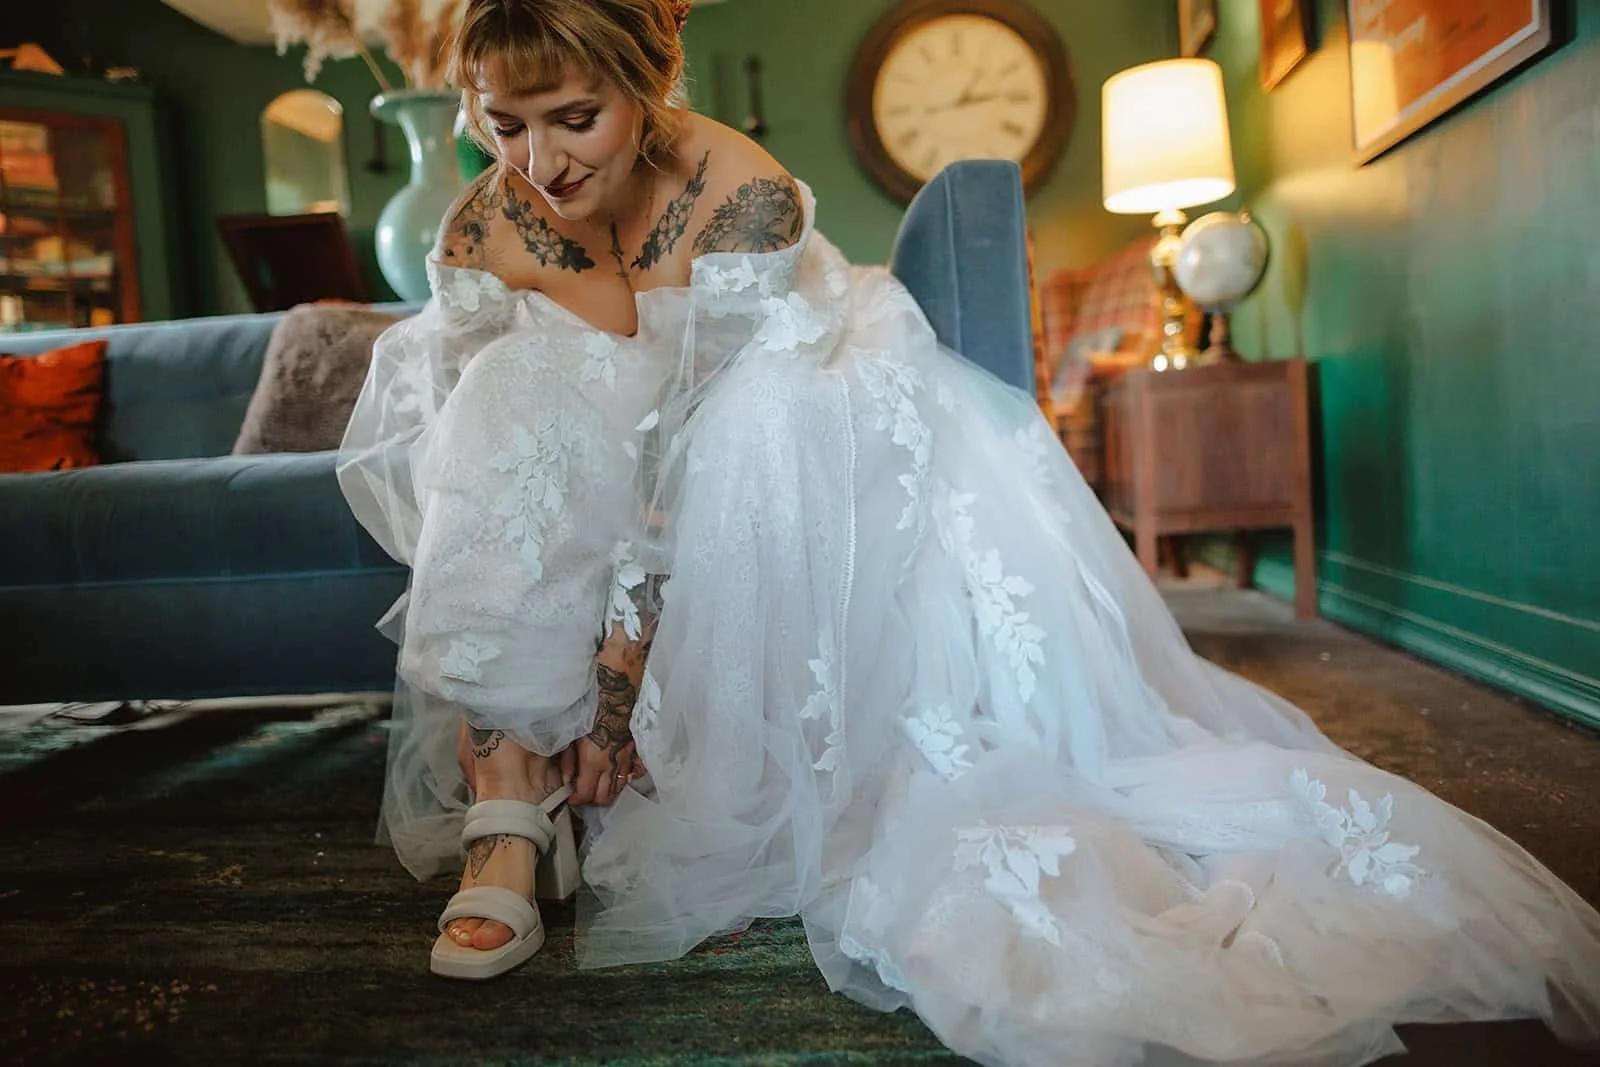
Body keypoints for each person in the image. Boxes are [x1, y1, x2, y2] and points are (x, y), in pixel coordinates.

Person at [337, 0, 1600, 1062]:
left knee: (755, 436)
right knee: (503, 396)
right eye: (504, 125)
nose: (541, 164)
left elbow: (677, 465)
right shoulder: (484, 225)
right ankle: (509, 798)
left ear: (647, 86)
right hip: (612, 408)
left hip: (772, 393)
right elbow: (469, 449)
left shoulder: (742, 198)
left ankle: (617, 771)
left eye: (575, 120)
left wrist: (618, 685)